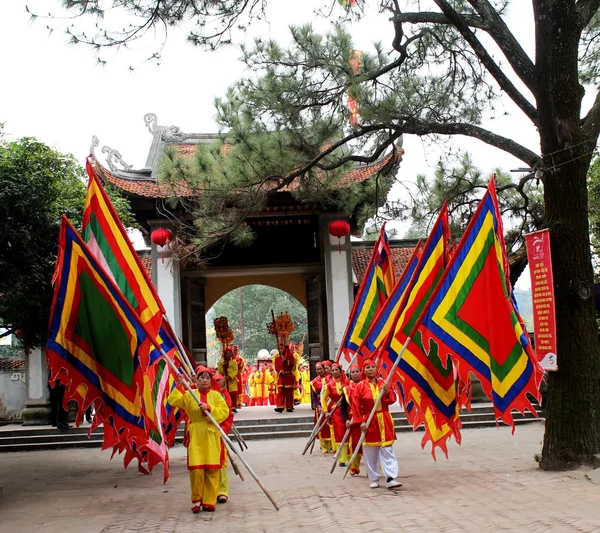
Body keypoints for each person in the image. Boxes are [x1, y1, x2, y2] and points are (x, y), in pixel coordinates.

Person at [167, 366, 230, 513]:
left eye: (208, 378)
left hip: (211, 435)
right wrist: (180, 385)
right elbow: (173, 400)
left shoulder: (216, 396)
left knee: (212, 469)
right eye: (202, 377)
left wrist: (209, 408)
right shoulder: (190, 395)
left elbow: (224, 412)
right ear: (196, 379)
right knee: (196, 470)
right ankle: (196, 499)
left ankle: (209, 500)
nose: (205, 380)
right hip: (196, 435)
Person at [350, 359, 402, 490]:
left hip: (384, 419)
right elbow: (355, 405)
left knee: (387, 449)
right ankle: (374, 478)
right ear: (364, 370)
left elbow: (391, 400)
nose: (371, 369)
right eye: (368, 367)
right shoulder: (360, 386)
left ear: (376, 368)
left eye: (373, 367)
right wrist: (360, 421)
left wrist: (386, 391)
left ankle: (391, 477)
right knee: (370, 451)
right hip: (369, 420)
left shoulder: (383, 383)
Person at [321, 362, 350, 467]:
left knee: (350, 433)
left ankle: (351, 457)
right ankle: (342, 459)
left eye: (336, 370)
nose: (334, 372)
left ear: (340, 370)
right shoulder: (329, 385)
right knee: (340, 433)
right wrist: (326, 411)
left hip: (348, 409)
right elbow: (323, 400)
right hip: (336, 411)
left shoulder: (347, 382)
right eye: (332, 370)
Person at [213, 373, 234, 504]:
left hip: (219, 431)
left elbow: (228, 415)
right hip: (204, 434)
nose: (218, 382)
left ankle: (222, 490)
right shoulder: (200, 394)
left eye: (219, 380)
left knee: (221, 462)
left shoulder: (223, 395)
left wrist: (224, 430)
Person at [340, 363, 363, 476]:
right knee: (354, 444)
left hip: (367, 418)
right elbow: (342, 408)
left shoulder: (367, 386)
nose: (355, 374)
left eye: (357, 371)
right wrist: (345, 420)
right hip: (353, 420)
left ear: (361, 372)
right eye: (352, 372)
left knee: (370, 445)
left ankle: (373, 470)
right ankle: (354, 466)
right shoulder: (347, 389)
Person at [310, 362, 332, 453]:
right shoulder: (314, 382)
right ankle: (324, 446)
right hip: (320, 406)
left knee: (330, 425)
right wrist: (318, 406)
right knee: (321, 427)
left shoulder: (330, 379)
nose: (319, 371)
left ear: (324, 369)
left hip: (330, 404)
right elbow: (314, 396)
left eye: (320, 369)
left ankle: (332, 445)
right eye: (317, 369)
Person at [272, 343, 297, 412]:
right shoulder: (277, 358)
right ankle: (280, 406)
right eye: (279, 349)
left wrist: (286, 361)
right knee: (280, 392)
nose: (280, 350)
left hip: (288, 376)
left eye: (282, 349)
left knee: (289, 392)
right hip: (281, 377)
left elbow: (292, 365)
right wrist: (280, 371)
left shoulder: (291, 357)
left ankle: (289, 407)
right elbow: (277, 367)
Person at [217, 347, 239, 412]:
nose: (228, 355)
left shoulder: (234, 362)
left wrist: (230, 376)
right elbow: (220, 371)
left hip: (232, 380)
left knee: (233, 393)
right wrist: (223, 366)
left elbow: (236, 370)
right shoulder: (221, 362)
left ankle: (233, 407)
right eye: (227, 353)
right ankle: (227, 406)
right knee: (225, 393)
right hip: (224, 380)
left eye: (230, 353)